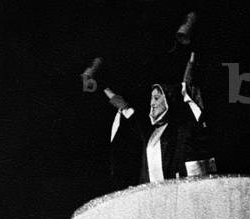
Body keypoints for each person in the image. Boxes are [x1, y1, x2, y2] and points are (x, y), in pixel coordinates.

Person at [81, 10, 216, 187]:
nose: (152, 104)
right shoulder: (150, 134)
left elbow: (188, 85)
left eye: (157, 98)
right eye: (152, 99)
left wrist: (192, 51)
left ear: (169, 101)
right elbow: (123, 107)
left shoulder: (180, 126)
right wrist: (100, 86)